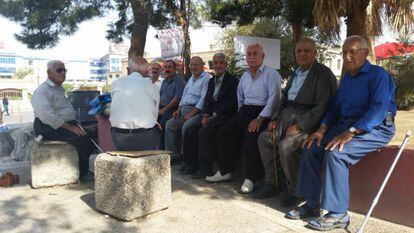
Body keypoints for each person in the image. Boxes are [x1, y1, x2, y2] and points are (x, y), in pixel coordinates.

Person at [285, 35, 397, 231]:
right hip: (346, 125)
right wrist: (321, 129)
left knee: (336, 153)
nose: (347, 56)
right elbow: (334, 110)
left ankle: (338, 214)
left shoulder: (378, 75)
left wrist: (352, 132)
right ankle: (313, 204)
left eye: (352, 51)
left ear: (365, 53)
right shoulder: (347, 79)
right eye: (345, 52)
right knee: (311, 147)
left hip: (375, 127)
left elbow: (378, 110)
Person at [254, 38, 337, 202]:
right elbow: (283, 99)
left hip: (308, 121)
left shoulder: (323, 74)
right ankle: (273, 184)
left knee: (287, 147)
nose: (302, 54)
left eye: (306, 51)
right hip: (285, 116)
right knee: (264, 139)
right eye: (299, 51)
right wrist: (275, 118)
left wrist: (300, 126)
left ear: (315, 53)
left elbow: (323, 106)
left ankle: (296, 190)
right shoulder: (296, 72)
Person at [206, 43, 282, 194]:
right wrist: (241, 114)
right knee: (225, 132)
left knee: (251, 137)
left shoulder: (271, 74)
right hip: (246, 110)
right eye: (249, 54)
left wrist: (260, 118)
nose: (252, 57)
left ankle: (251, 178)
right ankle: (225, 170)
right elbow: (240, 97)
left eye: (255, 53)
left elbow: (274, 99)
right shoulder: (245, 76)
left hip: (263, 112)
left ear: (263, 56)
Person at [31, 60, 95, 181]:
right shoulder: (43, 90)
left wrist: (74, 124)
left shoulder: (58, 89)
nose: (63, 73)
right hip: (47, 126)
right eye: (59, 70)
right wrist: (71, 127)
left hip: (62, 124)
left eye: (64, 70)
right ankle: (82, 173)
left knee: (92, 134)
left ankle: (82, 169)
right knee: (82, 139)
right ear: (49, 72)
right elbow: (47, 116)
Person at [180, 53, 239, 177]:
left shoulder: (233, 81)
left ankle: (205, 169)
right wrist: (206, 115)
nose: (218, 65)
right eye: (215, 63)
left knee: (204, 132)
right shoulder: (212, 81)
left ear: (226, 64)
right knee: (190, 128)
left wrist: (214, 115)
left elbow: (231, 103)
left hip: (224, 115)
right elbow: (206, 100)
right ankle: (191, 164)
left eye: (221, 62)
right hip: (210, 114)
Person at [165, 56, 211, 164]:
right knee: (169, 125)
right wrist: (178, 109)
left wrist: (192, 113)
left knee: (186, 127)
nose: (193, 67)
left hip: (196, 111)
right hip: (183, 110)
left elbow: (204, 98)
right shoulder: (191, 78)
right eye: (192, 65)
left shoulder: (206, 78)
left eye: (196, 65)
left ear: (202, 65)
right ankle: (174, 155)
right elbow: (184, 95)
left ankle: (186, 158)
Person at [110, 56, 161, 151]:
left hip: (119, 137)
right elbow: (155, 114)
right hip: (145, 137)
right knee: (157, 126)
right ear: (146, 72)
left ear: (128, 70)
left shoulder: (115, 83)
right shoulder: (152, 86)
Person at [158, 60, 186, 149]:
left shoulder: (179, 80)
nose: (167, 69)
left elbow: (177, 99)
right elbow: (160, 95)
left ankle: (163, 151)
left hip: (173, 109)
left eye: (169, 67)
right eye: (165, 67)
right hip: (162, 108)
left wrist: (164, 109)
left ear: (175, 69)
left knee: (162, 124)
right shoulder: (165, 81)